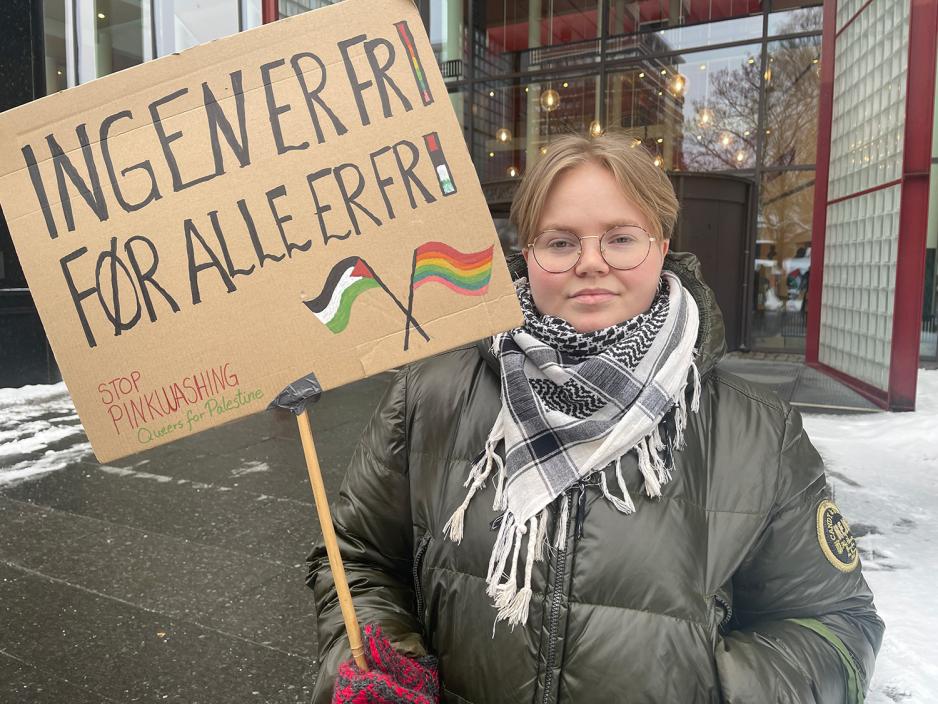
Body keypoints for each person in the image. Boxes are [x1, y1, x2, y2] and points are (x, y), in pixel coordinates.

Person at [307, 132, 883, 703]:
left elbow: (834, 622)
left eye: (621, 238)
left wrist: (720, 692)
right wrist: (386, 665)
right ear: (526, 253)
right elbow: (357, 558)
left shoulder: (760, 431)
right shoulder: (430, 396)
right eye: (559, 243)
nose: (590, 263)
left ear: (660, 246)